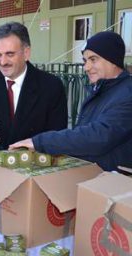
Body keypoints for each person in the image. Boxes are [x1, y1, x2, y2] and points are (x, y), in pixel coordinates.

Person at [9, 31, 132, 172]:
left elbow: (98, 136)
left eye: (93, 59)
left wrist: (40, 142)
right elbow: (82, 134)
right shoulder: (101, 90)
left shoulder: (127, 94)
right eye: (85, 61)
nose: (86, 67)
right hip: (94, 176)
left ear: (112, 60)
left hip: (115, 184)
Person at [0, 22, 67, 156]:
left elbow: (57, 134)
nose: (3, 62)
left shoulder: (51, 86)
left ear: (26, 53)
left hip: (33, 166)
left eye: (10, 54)